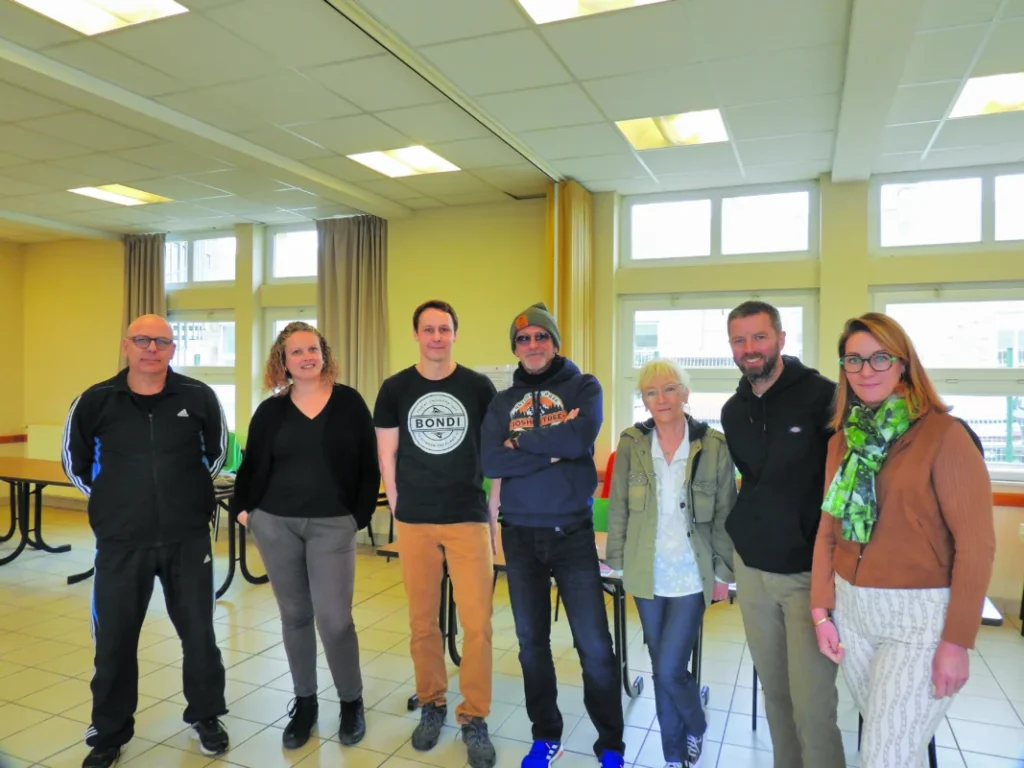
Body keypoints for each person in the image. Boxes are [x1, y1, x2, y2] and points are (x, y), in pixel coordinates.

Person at [810, 313, 995, 768]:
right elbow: (829, 530)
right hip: (852, 615)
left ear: (903, 363)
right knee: (892, 748)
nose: (866, 370)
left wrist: (957, 641)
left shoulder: (945, 436)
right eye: (854, 360)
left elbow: (976, 545)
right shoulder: (843, 441)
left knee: (883, 756)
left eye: (880, 358)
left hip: (919, 620)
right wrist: (821, 611)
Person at [62, 315, 230, 768]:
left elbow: (216, 455)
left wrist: (187, 497)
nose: (151, 348)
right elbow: (75, 463)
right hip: (121, 543)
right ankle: (109, 733)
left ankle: (206, 716)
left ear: (173, 349)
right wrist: (114, 502)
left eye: (161, 341)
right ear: (126, 346)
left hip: (187, 539)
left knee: (199, 635)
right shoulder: (95, 400)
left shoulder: (198, 396)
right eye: (142, 340)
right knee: (114, 642)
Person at [481, 302, 626, 768]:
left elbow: (578, 440)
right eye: (523, 339)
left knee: (594, 646)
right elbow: (491, 461)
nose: (532, 345)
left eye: (540, 336)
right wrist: (553, 447)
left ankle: (611, 744)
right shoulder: (502, 402)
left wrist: (521, 441)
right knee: (531, 646)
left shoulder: (584, 387)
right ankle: (546, 736)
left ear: (555, 342)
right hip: (520, 535)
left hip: (572, 534)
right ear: (515, 348)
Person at [231, 322, 379, 749]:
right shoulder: (270, 411)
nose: (306, 357)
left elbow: (368, 464)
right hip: (276, 524)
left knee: (334, 620)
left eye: (312, 349)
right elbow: (251, 465)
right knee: (295, 615)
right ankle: (305, 703)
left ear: (324, 354)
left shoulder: (349, 403)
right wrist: (246, 512)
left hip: (333, 525)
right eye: (296, 352)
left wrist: (357, 517)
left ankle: (351, 701)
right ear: (283, 361)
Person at [373, 300, 500, 768]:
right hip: (416, 521)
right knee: (423, 622)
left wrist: (493, 504)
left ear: (454, 334)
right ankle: (432, 702)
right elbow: (386, 454)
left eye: (444, 329)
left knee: (478, 624)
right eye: (428, 329)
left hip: (467, 516)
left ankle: (475, 715)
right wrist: (396, 501)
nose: (436, 337)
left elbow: (496, 449)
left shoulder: (478, 387)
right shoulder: (395, 388)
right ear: (416, 335)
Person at [720, 301, 845, 768]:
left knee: (813, 706)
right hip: (752, 570)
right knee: (775, 695)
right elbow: (750, 481)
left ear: (781, 339)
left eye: (759, 337)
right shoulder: (733, 411)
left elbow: (843, 484)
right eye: (739, 340)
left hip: (807, 575)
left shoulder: (824, 397)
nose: (749, 348)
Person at [606, 359, 736, 768]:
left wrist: (724, 573)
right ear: (643, 400)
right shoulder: (632, 443)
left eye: (669, 389)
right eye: (651, 392)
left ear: (685, 393)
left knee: (667, 668)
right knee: (665, 666)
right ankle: (674, 754)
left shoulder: (713, 446)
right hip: (646, 572)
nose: (660, 399)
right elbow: (619, 507)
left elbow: (725, 515)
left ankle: (695, 725)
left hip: (691, 574)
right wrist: (617, 562)